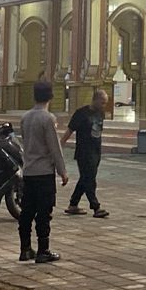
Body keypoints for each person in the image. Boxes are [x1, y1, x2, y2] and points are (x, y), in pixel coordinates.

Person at [18, 80, 69, 264]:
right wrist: (62, 171)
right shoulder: (48, 119)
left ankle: (25, 249)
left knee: (27, 212)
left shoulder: (25, 118)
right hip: (44, 172)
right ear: (50, 97)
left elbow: (25, 142)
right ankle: (43, 249)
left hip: (29, 170)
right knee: (43, 212)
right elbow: (54, 147)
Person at [63, 88, 110, 218]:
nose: (103, 106)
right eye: (102, 102)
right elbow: (70, 130)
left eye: (105, 103)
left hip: (96, 151)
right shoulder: (81, 113)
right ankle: (96, 207)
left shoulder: (101, 113)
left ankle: (73, 204)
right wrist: (60, 144)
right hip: (83, 152)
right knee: (89, 180)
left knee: (86, 178)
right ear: (94, 100)